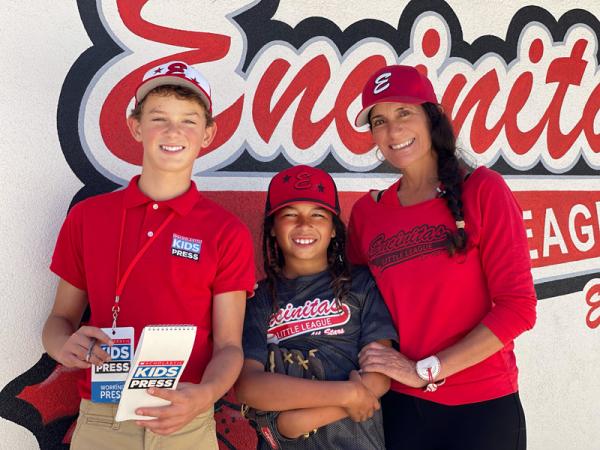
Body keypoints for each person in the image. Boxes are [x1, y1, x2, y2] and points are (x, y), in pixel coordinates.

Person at [42, 61, 255, 450]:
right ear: (135, 126)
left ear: (208, 134)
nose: (174, 131)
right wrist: (64, 347)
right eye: (159, 117)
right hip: (102, 417)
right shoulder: (88, 218)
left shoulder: (226, 231)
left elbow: (229, 347)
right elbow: (59, 321)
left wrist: (205, 394)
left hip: (184, 418)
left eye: (189, 120)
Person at [348, 65, 537, 450]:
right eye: (379, 121)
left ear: (431, 116)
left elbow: (518, 308)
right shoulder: (368, 214)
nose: (393, 131)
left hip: (481, 408)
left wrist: (425, 370)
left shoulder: (483, 190)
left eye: (404, 113)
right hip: (401, 408)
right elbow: (360, 307)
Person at [235, 165, 398, 449]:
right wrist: (346, 395)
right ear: (272, 228)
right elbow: (249, 386)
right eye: (289, 215)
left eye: (318, 215)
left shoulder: (360, 284)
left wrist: (293, 423)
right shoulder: (259, 299)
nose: (304, 224)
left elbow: (380, 375)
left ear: (334, 229)